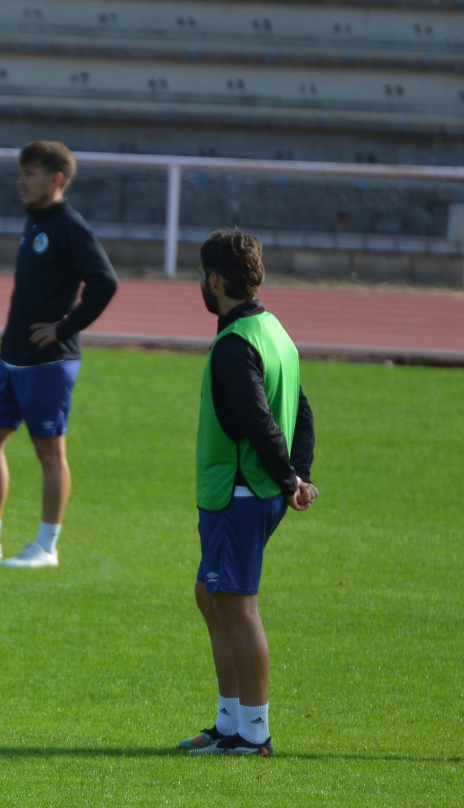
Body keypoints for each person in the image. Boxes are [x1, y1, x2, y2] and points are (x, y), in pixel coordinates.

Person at [0, 140, 118, 568]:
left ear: (55, 179)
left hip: (49, 361)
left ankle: (46, 547)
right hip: (12, 357)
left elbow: (105, 281)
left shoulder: (69, 225)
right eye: (21, 173)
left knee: (49, 452)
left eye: (29, 174)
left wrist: (65, 326)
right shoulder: (35, 221)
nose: (20, 181)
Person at [181, 230, 316, 757]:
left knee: (237, 606)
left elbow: (259, 421)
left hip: (239, 491)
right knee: (210, 596)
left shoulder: (235, 344)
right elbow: (302, 409)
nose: (201, 283)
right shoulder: (274, 330)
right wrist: (298, 474)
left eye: (201, 275)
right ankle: (229, 721)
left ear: (215, 279)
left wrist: (288, 478)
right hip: (250, 490)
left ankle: (253, 733)